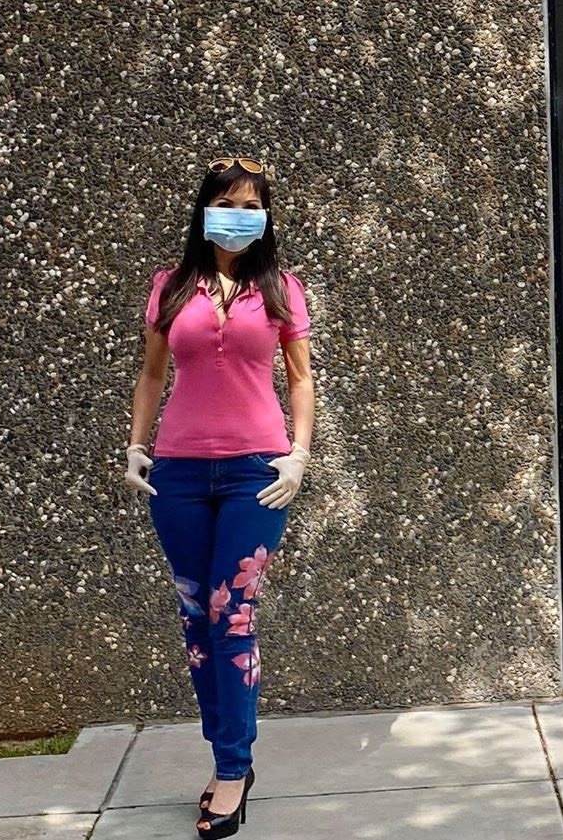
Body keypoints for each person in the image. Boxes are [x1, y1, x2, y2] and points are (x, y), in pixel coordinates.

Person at [124, 156, 316, 836]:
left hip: (254, 476)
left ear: (265, 216)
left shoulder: (283, 288)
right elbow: (152, 374)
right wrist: (135, 444)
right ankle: (222, 752)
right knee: (195, 621)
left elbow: (300, 378)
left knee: (232, 614)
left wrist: (298, 453)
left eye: (251, 203)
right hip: (177, 473)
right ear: (204, 209)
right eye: (227, 200)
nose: (239, 212)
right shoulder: (170, 287)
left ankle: (232, 767)